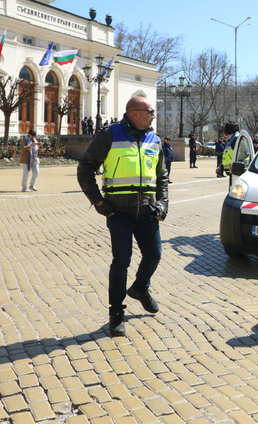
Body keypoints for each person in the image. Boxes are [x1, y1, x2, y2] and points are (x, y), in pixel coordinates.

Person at [77, 96, 169, 337]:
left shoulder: (154, 139)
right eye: (150, 111)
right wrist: (98, 201)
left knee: (154, 255)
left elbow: (162, 177)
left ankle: (140, 288)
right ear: (135, 113)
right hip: (119, 211)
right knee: (122, 261)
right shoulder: (110, 134)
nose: (153, 115)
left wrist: (163, 204)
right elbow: (85, 167)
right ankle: (116, 313)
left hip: (148, 210)